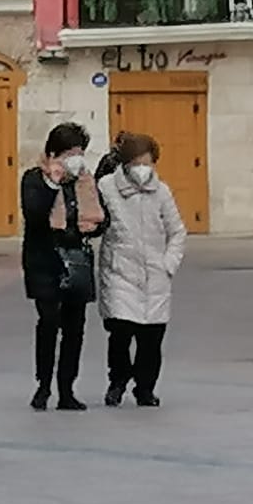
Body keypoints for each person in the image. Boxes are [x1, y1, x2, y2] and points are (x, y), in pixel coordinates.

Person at [95, 132, 187, 408]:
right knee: (121, 333)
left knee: (151, 340)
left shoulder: (161, 191)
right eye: (137, 162)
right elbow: (95, 219)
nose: (143, 168)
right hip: (120, 273)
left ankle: (145, 388)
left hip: (155, 276)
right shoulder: (107, 187)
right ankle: (118, 381)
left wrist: (168, 264)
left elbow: (177, 231)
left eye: (148, 162)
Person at [20, 122, 104, 411]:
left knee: (75, 328)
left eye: (80, 152)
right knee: (48, 323)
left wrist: (88, 228)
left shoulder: (84, 182)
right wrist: (52, 182)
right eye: (70, 152)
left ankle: (67, 389)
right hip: (46, 261)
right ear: (54, 153)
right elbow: (34, 214)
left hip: (76, 263)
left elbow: (99, 219)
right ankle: (43, 385)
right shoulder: (35, 179)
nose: (76, 158)